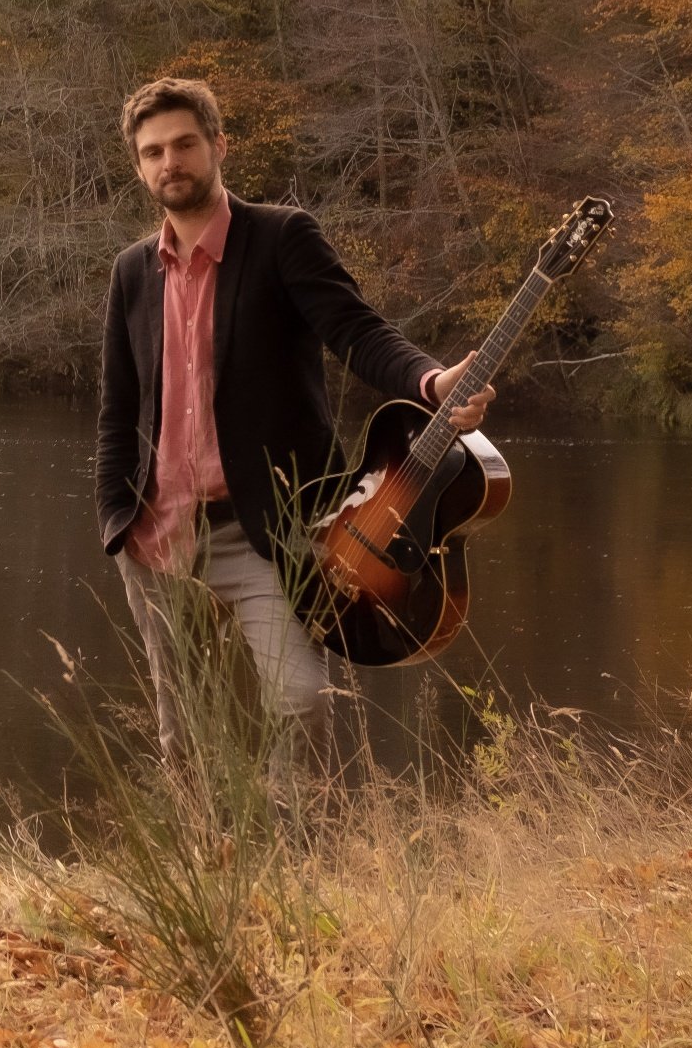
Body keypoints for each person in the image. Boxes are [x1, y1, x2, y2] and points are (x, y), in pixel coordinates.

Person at [95, 78, 495, 785]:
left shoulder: (280, 238)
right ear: (138, 165)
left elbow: (357, 332)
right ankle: (207, 871)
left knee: (302, 699)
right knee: (185, 728)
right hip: (159, 538)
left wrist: (432, 382)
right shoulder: (132, 273)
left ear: (218, 145)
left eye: (184, 143)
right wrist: (115, 521)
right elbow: (116, 410)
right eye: (153, 151)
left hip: (266, 531)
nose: (170, 162)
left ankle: (293, 859)